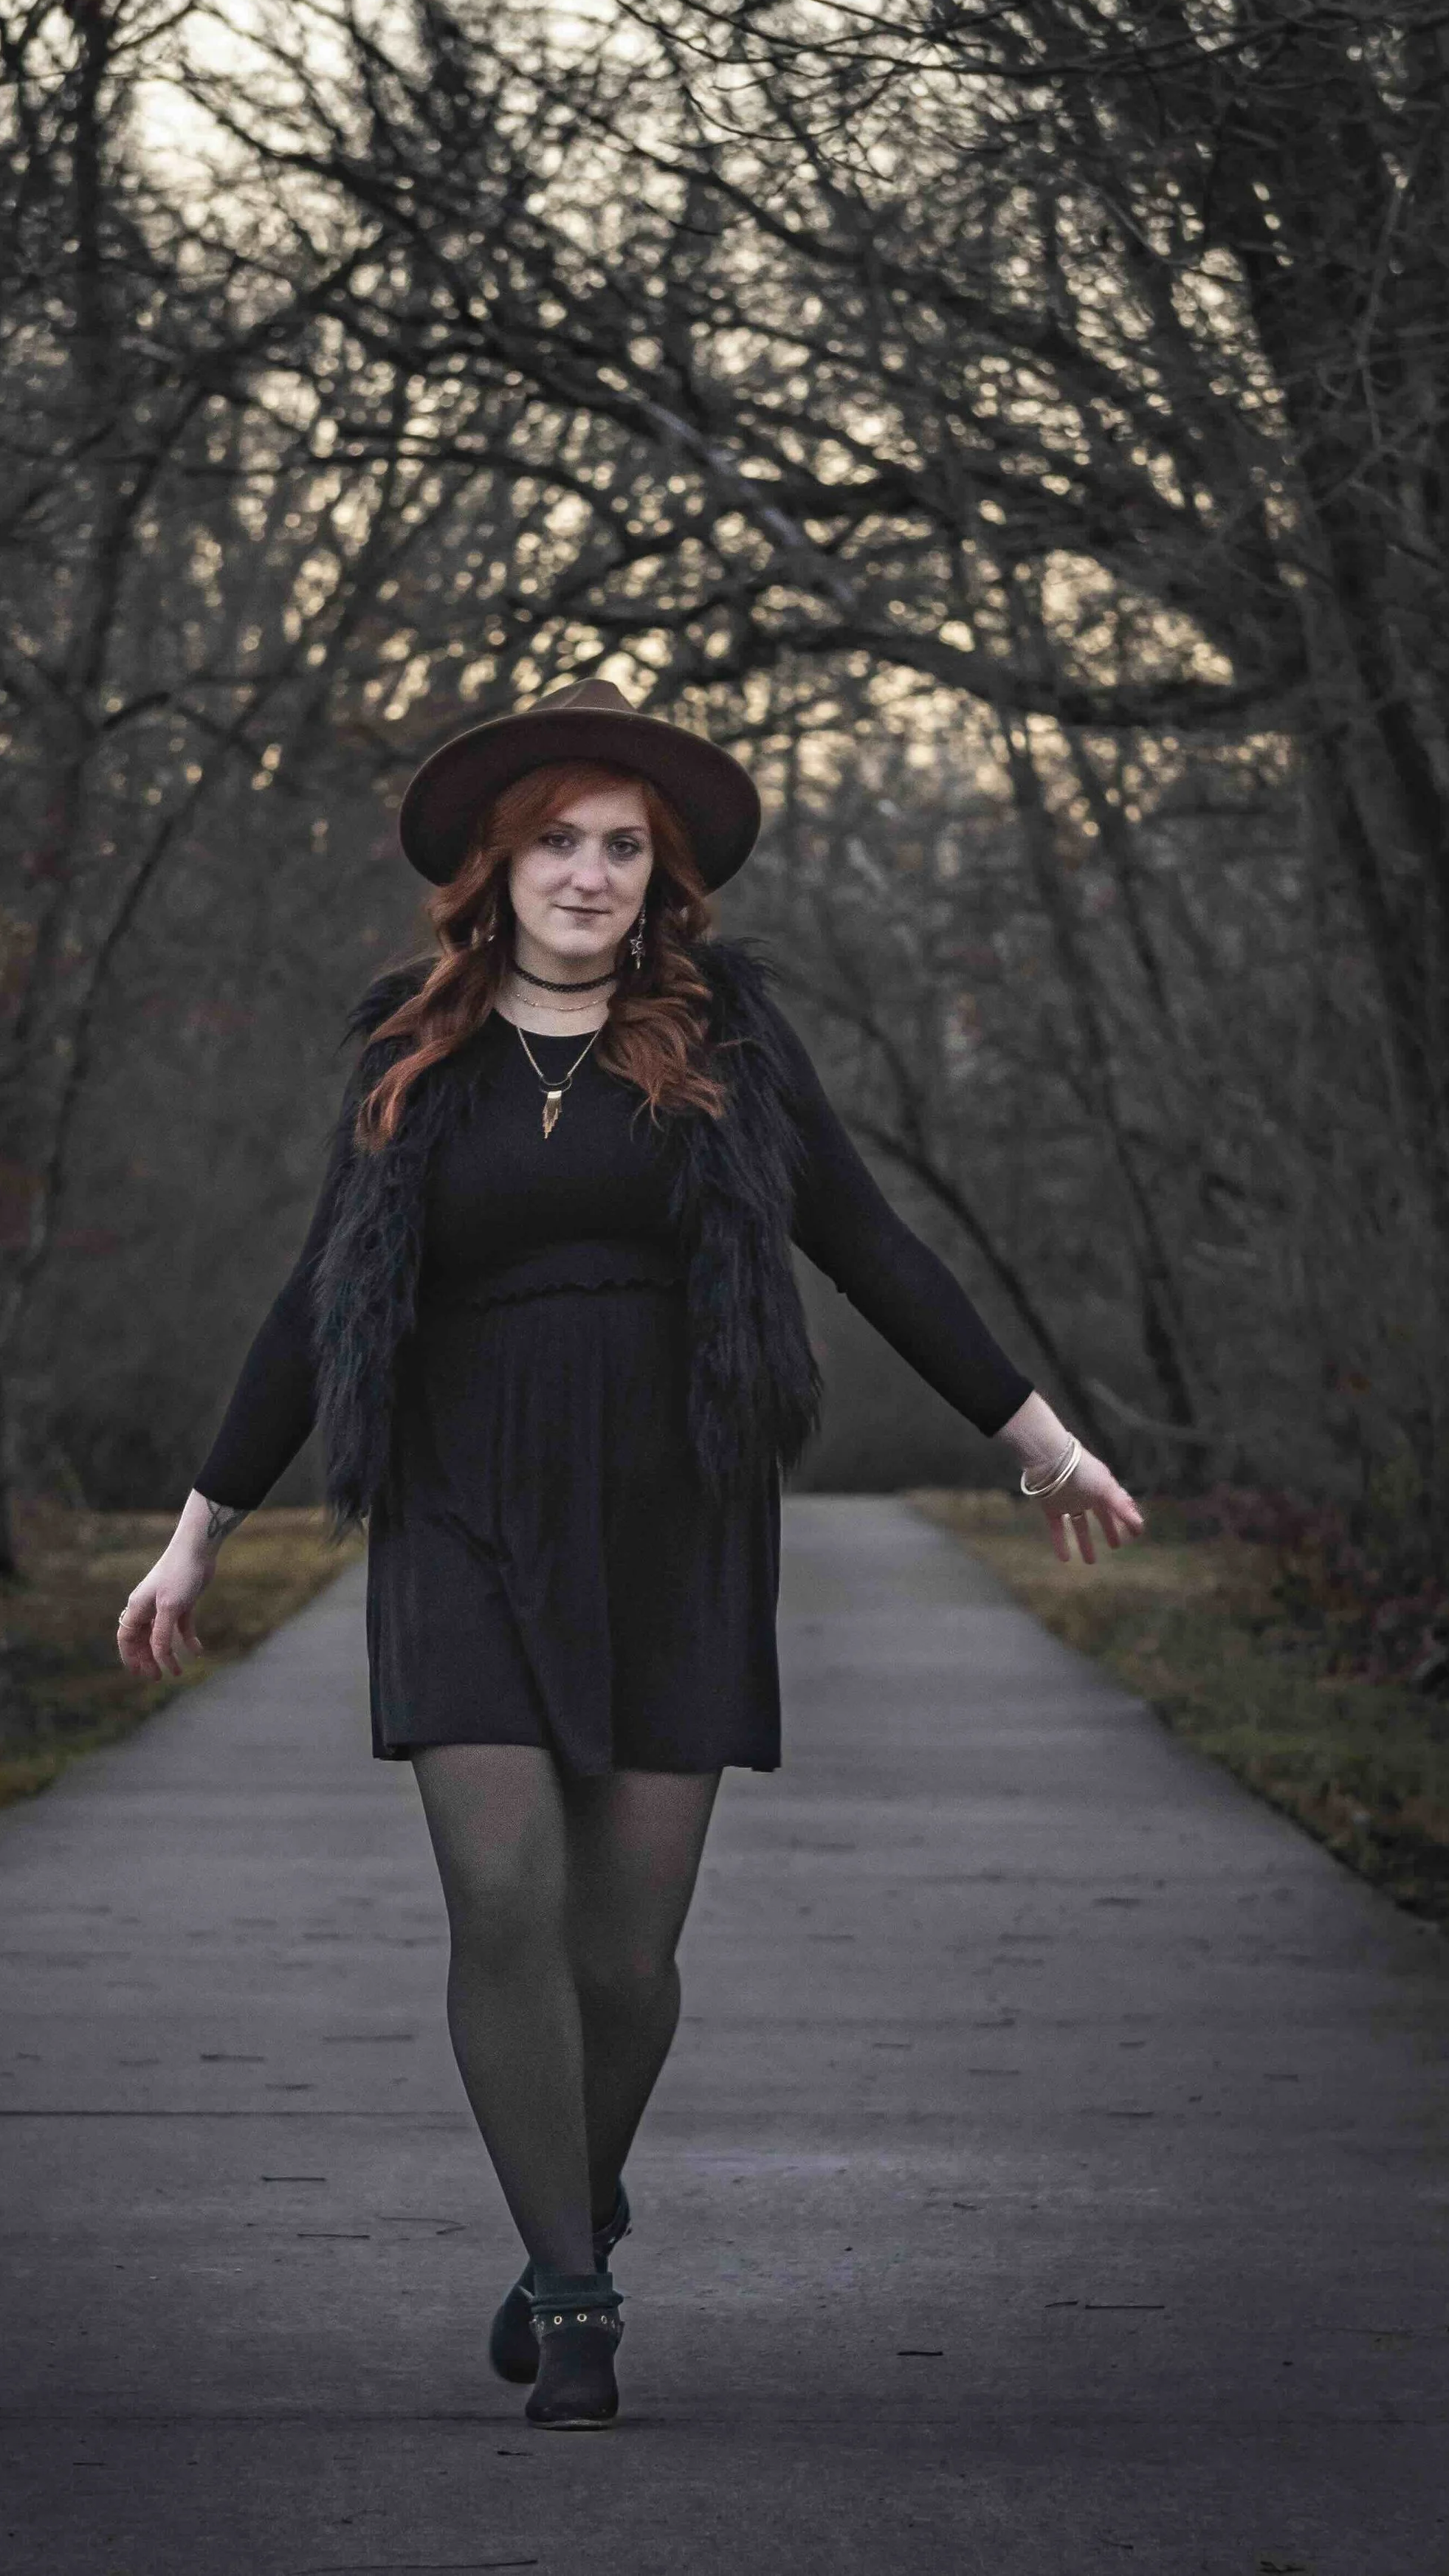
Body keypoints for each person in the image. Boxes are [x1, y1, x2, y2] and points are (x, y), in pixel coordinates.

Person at [114, 676, 1144, 2431]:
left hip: (673, 1506)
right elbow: (316, 1301)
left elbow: (867, 1243)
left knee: (622, 1955)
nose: (588, 876)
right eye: (556, 846)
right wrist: (198, 1529)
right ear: (494, 870)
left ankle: (560, 2208)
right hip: (460, 1506)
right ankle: (578, 2299)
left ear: (656, 878)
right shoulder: (409, 1052)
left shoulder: (725, 1046)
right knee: (500, 1893)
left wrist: (1037, 1435)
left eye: (620, 849)